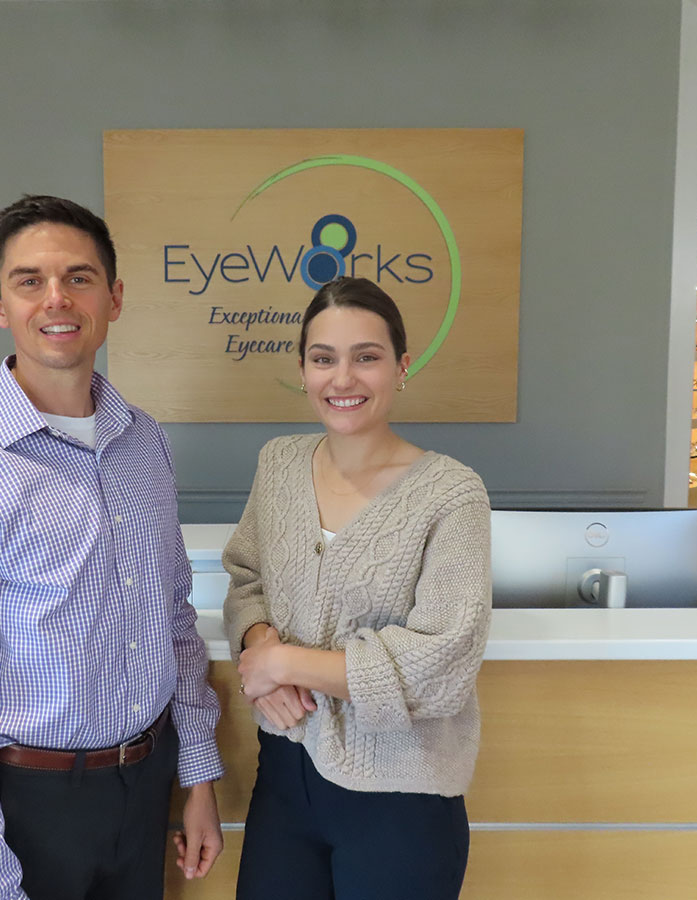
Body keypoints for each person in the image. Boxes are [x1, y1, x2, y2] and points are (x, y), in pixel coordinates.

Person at [0, 195, 224, 900]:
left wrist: (197, 773)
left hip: (147, 780)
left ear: (114, 298)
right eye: (29, 280)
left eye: (79, 277)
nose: (57, 298)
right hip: (27, 803)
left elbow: (176, 622)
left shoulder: (144, 441)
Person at [223, 276, 491, 900]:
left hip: (402, 796)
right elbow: (246, 578)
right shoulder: (280, 463)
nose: (342, 379)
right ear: (304, 369)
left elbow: (443, 664)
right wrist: (260, 638)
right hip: (284, 780)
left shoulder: (451, 493)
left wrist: (282, 663)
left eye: (365, 357)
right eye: (324, 359)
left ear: (401, 367)